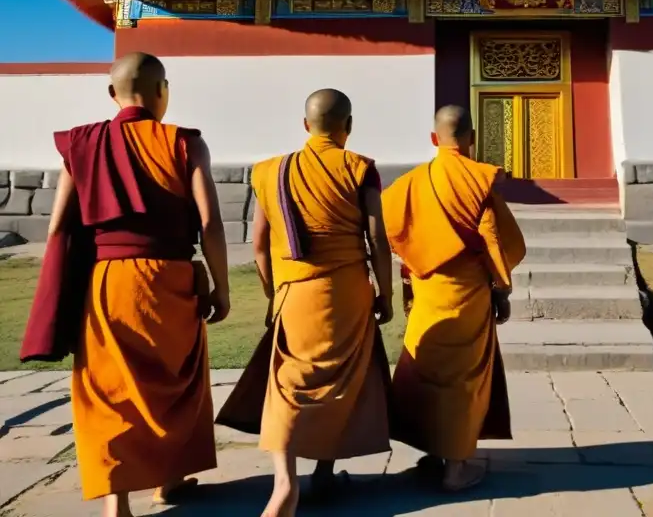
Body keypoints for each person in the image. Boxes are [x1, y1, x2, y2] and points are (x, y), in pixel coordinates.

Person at [41, 52, 229, 517]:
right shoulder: (185, 143)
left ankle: (115, 499)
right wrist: (221, 287)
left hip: (108, 281)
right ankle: (167, 480)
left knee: (108, 387)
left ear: (112, 93)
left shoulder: (81, 145)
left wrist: (58, 290)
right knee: (174, 380)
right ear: (164, 92)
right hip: (170, 278)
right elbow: (211, 223)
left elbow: (58, 227)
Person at [240, 89, 394, 517]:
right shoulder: (360, 168)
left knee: (290, 385)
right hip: (348, 291)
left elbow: (258, 245)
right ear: (348, 126)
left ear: (306, 126)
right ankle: (323, 471)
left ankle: (285, 485)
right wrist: (386, 292)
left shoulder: (270, 171)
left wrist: (275, 292)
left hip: (295, 291)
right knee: (345, 383)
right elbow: (377, 240)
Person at [382, 105, 526, 493]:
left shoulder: (409, 183)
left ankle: (436, 449)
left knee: (427, 370)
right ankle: (455, 468)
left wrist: (409, 278)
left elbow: (393, 230)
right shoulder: (479, 178)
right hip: (469, 293)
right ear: (472, 138)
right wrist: (503, 289)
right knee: (463, 378)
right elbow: (494, 238)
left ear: (434, 138)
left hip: (428, 289)